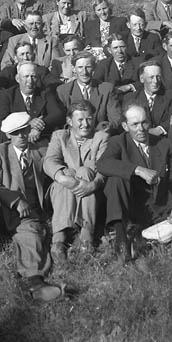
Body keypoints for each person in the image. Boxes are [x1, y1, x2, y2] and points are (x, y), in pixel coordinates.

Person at [0, 112, 64, 301]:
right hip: (0, 211)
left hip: (27, 215)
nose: (21, 136)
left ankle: (35, 283)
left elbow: (55, 164)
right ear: (8, 135)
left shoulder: (40, 151)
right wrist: (15, 200)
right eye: (16, 132)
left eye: (24, 130)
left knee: (32, 237)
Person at [97, 105, 172, 261]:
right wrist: (137, 170)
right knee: (116, 179)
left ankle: (143, 240)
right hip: (130, 206)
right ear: (125, 126)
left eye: (144, 122)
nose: (141, 129)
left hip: (158, 207)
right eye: (135, 124)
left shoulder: (164, 144)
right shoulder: (118, 142)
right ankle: (121, 238)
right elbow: (103, 164)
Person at [44, 101, 109, 261]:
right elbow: (50, 161)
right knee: (66, 174)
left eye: (89, 119)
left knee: (84, 171)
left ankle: (86, 234)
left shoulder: (101, 138)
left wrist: (93, 184)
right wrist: (63, 177)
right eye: (80, 120)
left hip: (92, 190)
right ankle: (59, 238)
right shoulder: (60, 136)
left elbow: (104, 167)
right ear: (69, 121)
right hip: (63, 190)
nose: (85, 124)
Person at [0, 62, 65, 144]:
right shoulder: (8, 95)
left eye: (33, 76)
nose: (30, 81)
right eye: (26, 76)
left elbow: (57, 114)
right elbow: (0, 122)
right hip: (15, 139)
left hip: (40, 139)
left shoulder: (44, 93)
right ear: (18, 79)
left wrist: (38, 127)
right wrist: (28, 124)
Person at [56, 51, 122, 132]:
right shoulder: (63, 91)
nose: (84, 72)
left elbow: (116, 118)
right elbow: (61, 122)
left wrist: (104, 128)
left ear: (94, 68)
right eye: (80, 67)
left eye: (88, 67)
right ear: (73, 69)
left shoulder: (106, 89)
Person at [122, 61, 172, 136]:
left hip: (164, 138)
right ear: (142, 79)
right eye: (151, 77)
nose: (155, 81)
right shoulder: (130, 98)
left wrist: (160, 129)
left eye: (158, 77)